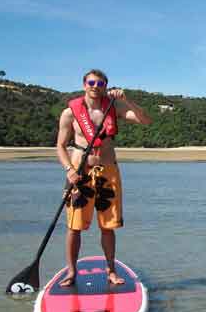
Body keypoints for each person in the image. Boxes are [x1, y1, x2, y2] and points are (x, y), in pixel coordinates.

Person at [55, 69, 152, 287]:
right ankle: (71, 272)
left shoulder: (113, 107)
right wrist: (69, 170)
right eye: (91, 82)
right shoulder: (70, 113)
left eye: (100, 83)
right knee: (74, 226)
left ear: (105, 86)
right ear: (84, 84)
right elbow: (60, 146)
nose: (95, 86)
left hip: (108, 172)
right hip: (80, 174)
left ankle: (111, 270)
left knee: (108, 226)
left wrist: (127, 101)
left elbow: (145, 120)